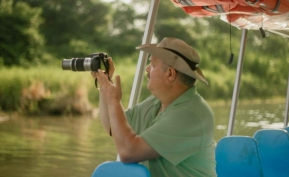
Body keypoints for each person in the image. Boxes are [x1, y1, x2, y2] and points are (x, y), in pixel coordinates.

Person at [92, 37, 216, 177]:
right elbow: (112, 126)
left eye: (153, 64)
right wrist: (104, 85)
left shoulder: (190, 114)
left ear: (170, 74)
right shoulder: (156, 102)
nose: (147, 69)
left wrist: (114, 100)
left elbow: (129, 152)